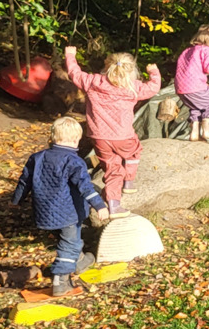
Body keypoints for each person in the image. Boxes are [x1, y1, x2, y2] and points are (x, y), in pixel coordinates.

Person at [11, 117, 105, 297]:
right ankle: (60, 281)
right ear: (77, 139)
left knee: (69, 240)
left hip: (44, 211)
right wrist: (99, 205)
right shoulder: (74, 161)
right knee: (69, 244)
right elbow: (85, 186)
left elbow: (24, 181)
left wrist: (16, 200)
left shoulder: (37, 157)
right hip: (68, 211)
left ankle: (80, 261)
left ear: (53, 137)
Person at [64, 46, 161, 214]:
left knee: (112, 169)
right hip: (123, 136)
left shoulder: (94, 82)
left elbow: (75, 73)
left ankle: (114, 205)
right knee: (134, 151)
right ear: (132, 70)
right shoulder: (133, 87)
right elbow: (153, 88)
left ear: (106, 67)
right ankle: (129, 181)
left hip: (99, 136)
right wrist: (154, 72)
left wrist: (70, 55)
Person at [175, 24, 209, 141]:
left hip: (181, 88)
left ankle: (194, 134)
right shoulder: (208, 51)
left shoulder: (187, 51)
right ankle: (208, 131)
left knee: (196, 108)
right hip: (195, 86)